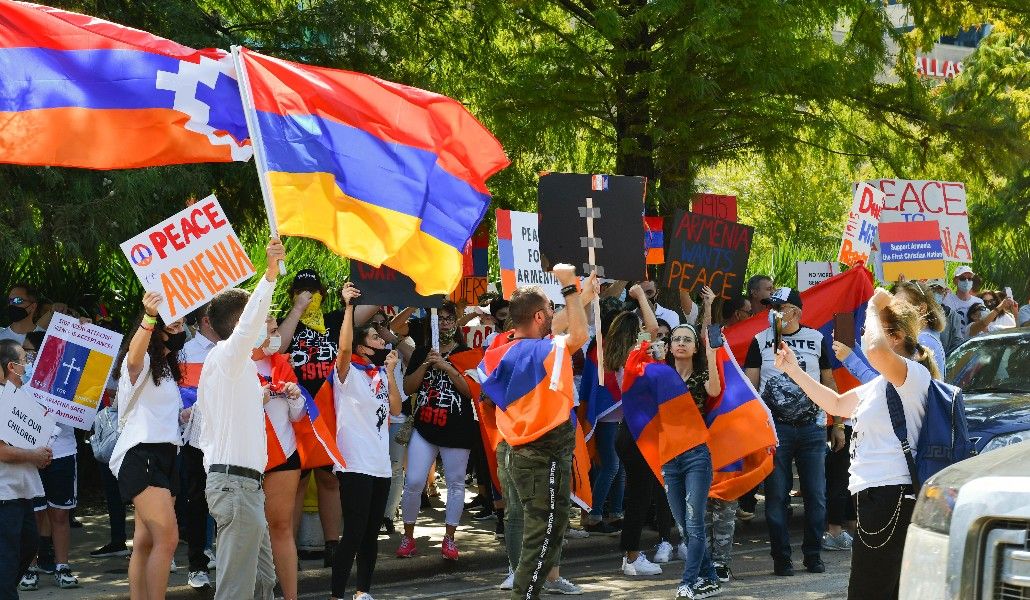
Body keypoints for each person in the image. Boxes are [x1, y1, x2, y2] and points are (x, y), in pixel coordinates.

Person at [774, 287, 939, 599]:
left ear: (896, 337)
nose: (864, 334)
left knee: (867, 590)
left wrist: (875, 305)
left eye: (871, 327)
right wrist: (793, 370)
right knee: (886, 588)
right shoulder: (884, 382)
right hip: (878, 494)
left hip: (891, 493)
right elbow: (836, 404)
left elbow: (875, 351)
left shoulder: (912, 374)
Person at [479, 265, 589, 600]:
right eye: (550, 309)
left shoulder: (500, 352)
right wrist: (569, 286)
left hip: (517, 453)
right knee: (543, 538)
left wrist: (581, 297)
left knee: (538, 532)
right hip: (544, 455)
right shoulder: (545, 351)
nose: (554, 313)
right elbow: (577, 336)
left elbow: (553, 329)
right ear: (539, 316)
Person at [197, 238, 285, 600]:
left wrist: (264, 395)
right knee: (236, 590)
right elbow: (248, 327)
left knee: (263, 582)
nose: (267, 323)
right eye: (260, 316)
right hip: (235, 487)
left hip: (245, 487)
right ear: (241, 323)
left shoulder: (236, 366)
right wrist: (269, 275)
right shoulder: (227, 356)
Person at [744, 287, 836, 576]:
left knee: (816, 496)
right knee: (776, 497)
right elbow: (750, 388)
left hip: (813, 429)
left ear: (795, 312)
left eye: (778, 308)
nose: (772, 313)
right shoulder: (759, 340)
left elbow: (829, 382)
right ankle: (781, 559)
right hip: (776, 432)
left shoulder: (816, 338)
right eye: (770, 308)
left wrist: (838, 423)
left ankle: (813, 555)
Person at [108, 292, 188, 599]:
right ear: (158, 330)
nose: (181, 331)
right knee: (167, 539)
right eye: (175, 325)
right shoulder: (140, 364)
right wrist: (149, 317)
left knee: (145, 542)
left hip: (166, 455)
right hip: (142, 456)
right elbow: (133, 358)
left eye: (182, 325)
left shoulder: (166, 369)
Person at [329, 282, 402, 600]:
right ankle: (336, 594)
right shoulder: (347, 373)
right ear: (361, 345)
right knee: (354, 533)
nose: (381, 340)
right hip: (354, 463)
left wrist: (391, 372)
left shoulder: (379, 373)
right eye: (374, 337)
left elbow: (396, 409)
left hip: (379, 465)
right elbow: (343, 348)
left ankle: (363, 591)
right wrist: (348, 308)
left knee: (371, 534)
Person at [396, 303, 477, 560]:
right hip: (425, 426)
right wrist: (426, 364)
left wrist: (447, 367)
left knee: (456, 483)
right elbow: (408, 388)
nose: (444, 323)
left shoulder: (467, 354)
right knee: (413, 481)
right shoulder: (422, 352)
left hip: (457, 429)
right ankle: (408, 537)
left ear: (456, 322)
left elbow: (471, 392)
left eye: (449, 318)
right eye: (439, 319)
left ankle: (449, 539)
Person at [603, 289, 672, 579]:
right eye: (640, 329)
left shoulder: (622, 357)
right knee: (639, 500)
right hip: (637, 434)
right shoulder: (635, 357)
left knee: (638, 497)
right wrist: (641, 295)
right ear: (634, 335)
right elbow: (655, 329)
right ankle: (632, 558)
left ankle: (631, 554)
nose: (647, 331)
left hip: (629, 432)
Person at [666, 324, 731, 586]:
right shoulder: (661, 374)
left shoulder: (702, 374)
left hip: (696, 455)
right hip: (669, 457)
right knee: (684, 527)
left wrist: (713, 353)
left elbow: (714, 390)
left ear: (695, 348)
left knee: (694, 524)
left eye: (687, 340)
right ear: (670, 346)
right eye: (676, 339)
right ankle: (711, 577)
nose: (681, 343)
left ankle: (688, 582)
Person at [255, 317, 305, 600]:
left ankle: (290, 596)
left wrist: (296, 397)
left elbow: (297, 416)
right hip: (247, 458)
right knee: (251, 532)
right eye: (272, 331)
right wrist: (255, 399)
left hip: (284, 454)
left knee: (281, 527)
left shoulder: (281, 364)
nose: (278, 336)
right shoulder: (233, 363)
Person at [0, 339, 53, 599]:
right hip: (4, 495)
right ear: (11, 366)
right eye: (24, 361)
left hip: (20, 492)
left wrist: (40, 454)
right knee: (7, 560)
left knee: (28, 546)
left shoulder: (18, 398)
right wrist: (34, 455)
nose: (28, 366)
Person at [178, 307, 218, 589]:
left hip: (229, 439)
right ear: (206, 321)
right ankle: (197, 566)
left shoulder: (236, 350)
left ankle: (227, 563)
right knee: (197, 502)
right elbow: (178, 396)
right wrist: (184, 413)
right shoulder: (185, 352)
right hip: (196, 440)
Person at [892, 281, 948, 376]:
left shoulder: (922, 341)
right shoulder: (925, 336)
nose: (894, 312)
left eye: (901, 306)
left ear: (922, 309)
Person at [940, 266, 984, 341]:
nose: (966, 281)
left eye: (969, 279)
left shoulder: (979, 302)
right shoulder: (946, 300)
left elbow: (983, 324)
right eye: (962, 278)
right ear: (955, 281)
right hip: (953, 343)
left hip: (973, 343)